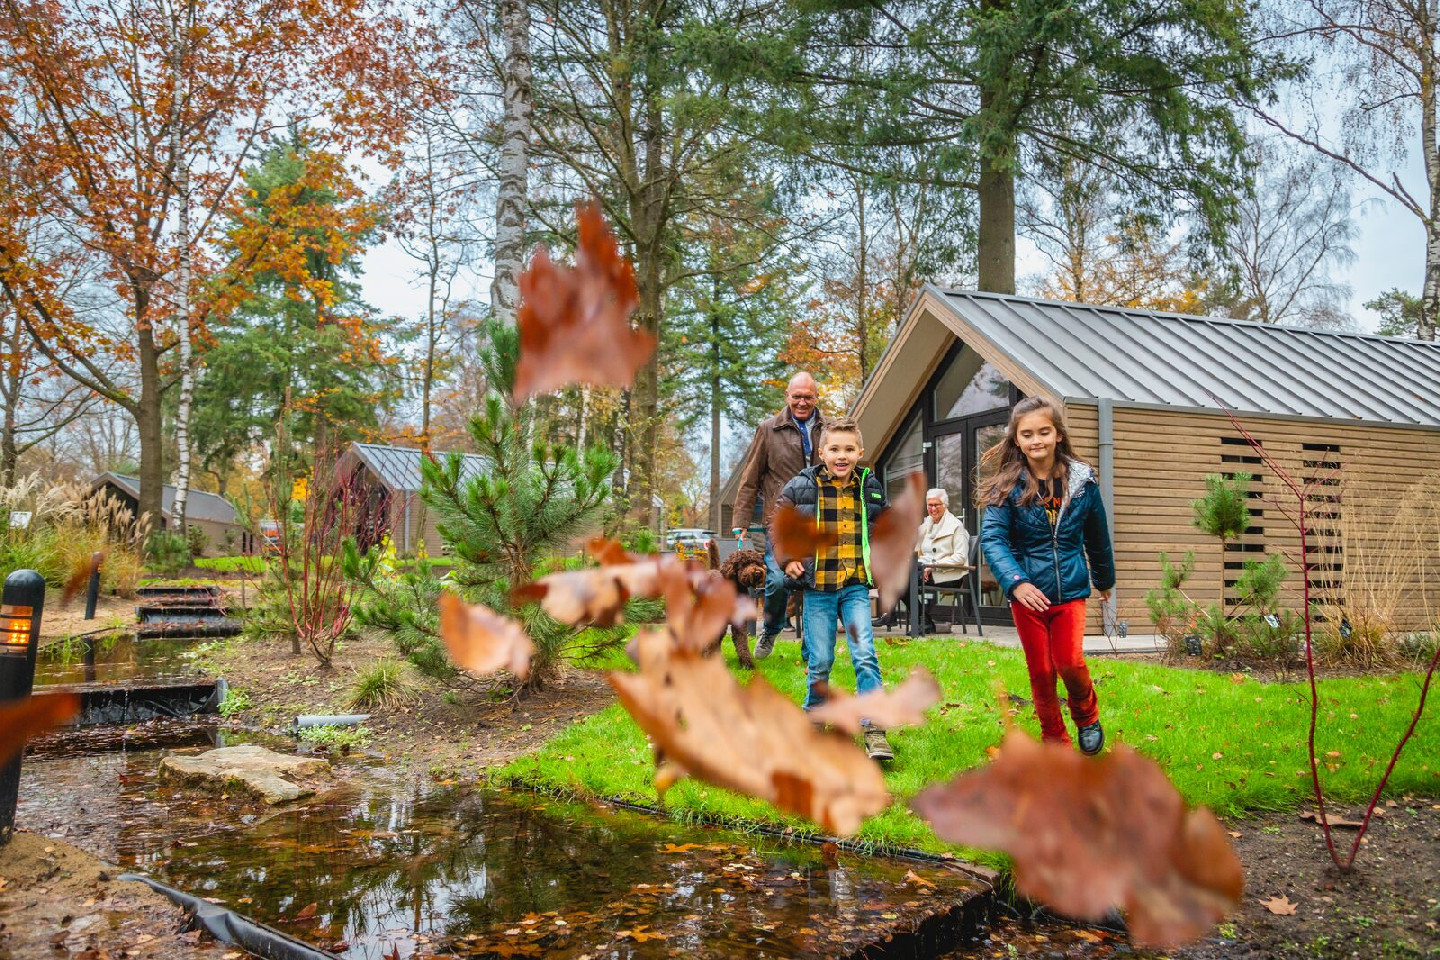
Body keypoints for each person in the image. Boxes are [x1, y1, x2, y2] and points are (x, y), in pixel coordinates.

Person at [978, 396, 1115, 755]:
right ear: (1017, 440)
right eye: (1027, 434)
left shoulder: (1082, 483)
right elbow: (993, 540)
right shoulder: (1006, 488)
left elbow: (1097, 536)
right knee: (1040, 671)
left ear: (1057, 435)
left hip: (1070, 589)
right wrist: (1017, 582)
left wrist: (1104, 580)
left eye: (1043, 431)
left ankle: (1086, 714)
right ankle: (1055, 740)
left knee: (1069, 661)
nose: (1036, 440)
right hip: (1028, 595)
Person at [773, 416, 893, 761]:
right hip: (818, 587)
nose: (842, 456)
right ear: (822, 452)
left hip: (854, 585)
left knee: (865, 654)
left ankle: (874, 728)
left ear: (860, 452)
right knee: (821, 659)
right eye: (835, 449)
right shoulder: (800, 486)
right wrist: (788, 558)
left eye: (849, 449)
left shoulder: (869, 486)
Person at [732, 372, 825, 659]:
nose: (801, 402)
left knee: (815, 582)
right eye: (796, 396)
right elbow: (750, 478)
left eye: (807, 396)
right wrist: (740, 522)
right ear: (787, 396)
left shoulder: (829, 428)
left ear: (816, 398)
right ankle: (771, 630)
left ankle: (811, 647)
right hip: (780, 521)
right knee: (776, 580)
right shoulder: (768, 429)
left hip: (819, 519)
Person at [876, 489, 970, 632]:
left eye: (937, 505)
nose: (933, 509)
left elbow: (960, 557)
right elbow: (912, 549)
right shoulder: (926, 525)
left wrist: (934, 566)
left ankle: (918, 620)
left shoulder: (956, 526)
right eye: (930, 505)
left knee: (903, 581)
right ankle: (917, 620)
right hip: (923, 570)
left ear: (945, 505)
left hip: (949, 574)